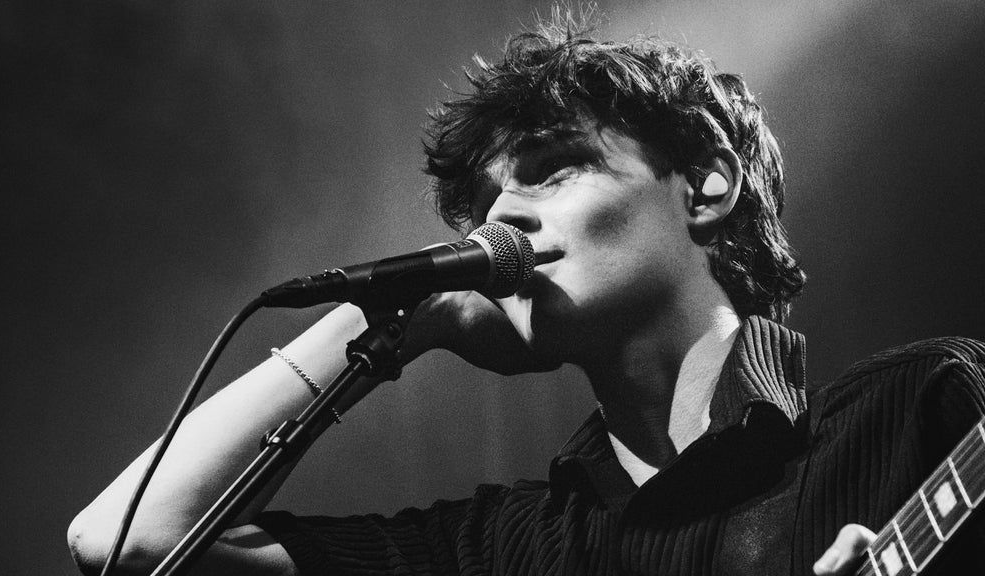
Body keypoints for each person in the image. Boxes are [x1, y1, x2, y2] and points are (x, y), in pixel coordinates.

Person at [67, 15, 985, 576]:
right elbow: (128, 542)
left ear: (706, 186)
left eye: (552, 168)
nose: (501, 214)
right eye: (484, 204)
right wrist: (397, 315)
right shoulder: (502, 548)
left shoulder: (921, 408)